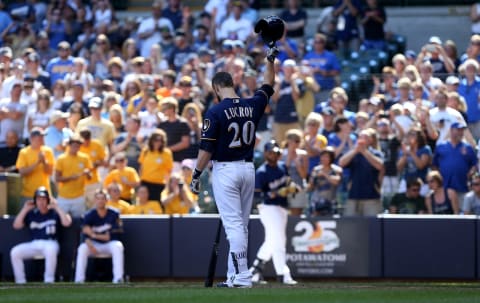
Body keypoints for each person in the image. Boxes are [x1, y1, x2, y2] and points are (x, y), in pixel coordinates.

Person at [190, 47, 276, 288]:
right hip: (248, 169)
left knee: (234, 226)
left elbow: (206, 149)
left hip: (225, 171)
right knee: (241, 225)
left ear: (217, 88)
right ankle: (233, 277)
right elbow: (268, 84)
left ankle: (243, 276)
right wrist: (270, 61)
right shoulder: (252, 104)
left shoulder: (215, 110)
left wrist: (196, 175)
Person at [249, 140, 297, 285]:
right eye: (270, 152)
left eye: (276, 152)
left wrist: (293, 188)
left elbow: (288, 183)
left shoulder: (282, 167)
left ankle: (255, 271)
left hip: (282, 207)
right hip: (268, 208)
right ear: (265, 153)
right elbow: (256, 196)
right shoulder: (262, 172)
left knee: (272, 240)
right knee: (280, 241)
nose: (273, 155)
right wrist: (273, 193)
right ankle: (283, 274)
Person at [10, 187, 72, 284]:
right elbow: (16, 225)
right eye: (38, 199)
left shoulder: (54, 213)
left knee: (50, 249)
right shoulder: (31, 214)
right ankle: (20, 282)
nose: (41, 202)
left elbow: (67, 223)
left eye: (43, 199)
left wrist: (56, 207)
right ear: (35, 201)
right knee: (15, 252)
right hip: (34, 243)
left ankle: (49, 280)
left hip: (51, 243)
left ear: (48, 200)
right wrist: (25, 209)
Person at [74, 189, 125, 284]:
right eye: (98, 198)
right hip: (93, 245)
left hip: (108, 245)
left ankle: (118, 279)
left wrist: (93, 234)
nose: (100, 201)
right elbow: (84, 233)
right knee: (82, 248)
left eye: (103, 198)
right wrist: (89, 242)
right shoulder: (88, 215)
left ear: (107, 200)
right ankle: (79, 280)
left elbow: (109, 237)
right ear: (95, 200)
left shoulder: (114, 214)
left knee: (118, 246)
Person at [339, 128, 384, 216]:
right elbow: (341, 163)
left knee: (372, 225)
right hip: (353, 195)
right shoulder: (354, 153)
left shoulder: (376, 153)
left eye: (365, 137)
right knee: (351, 224)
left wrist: (364, 152)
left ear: (371, 140)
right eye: (360, 137)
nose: (361, 139)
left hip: (371, 196)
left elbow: (380, 166)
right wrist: (355, 150)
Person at [433, 122, 478, 204]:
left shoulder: (467, 147)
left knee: (462, 213)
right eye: (458, 130)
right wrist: (439, 178)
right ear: (451, 131)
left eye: (461, 130)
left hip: (462, 187)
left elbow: (474, 164)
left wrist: (470, 174)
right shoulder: (441, 146)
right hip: (444, 187)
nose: (460, 132)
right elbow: (434, 165)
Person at [55, 134, 93, 217]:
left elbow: (90, 177)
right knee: (61, 219)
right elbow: (57, 178)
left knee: (79, 220)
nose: (76, 148)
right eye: (74, 146)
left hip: (79, 196)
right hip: (64, 196)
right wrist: (70, 178)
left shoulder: (84, 158)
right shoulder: (61, 158)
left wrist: (87, 173)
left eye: (78, 146)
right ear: (69, 145)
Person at [16, 128, 55, 203]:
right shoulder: (24, 152)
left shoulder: (48, 151)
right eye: (39, 136)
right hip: (28, 194)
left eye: (42, 136)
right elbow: (22, 172)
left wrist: (44, 161)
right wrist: (37, 163)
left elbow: (50, 172)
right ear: (32, 138)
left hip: (45, 193)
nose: (42, 138)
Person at [138, 130, 173, 202]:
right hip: (145, 183)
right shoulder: (145, 151)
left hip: (158, 184)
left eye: (161, 140)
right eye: (156, 140)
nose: (158, 142)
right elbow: (141, 167)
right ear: (151, 140)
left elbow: (169, 170)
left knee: (156, 205)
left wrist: (167, 185)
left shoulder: (166, 153)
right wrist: (140, 181)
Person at [308, 146, 342, 216]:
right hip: (316, 201)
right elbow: (310, 187)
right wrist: (314, 177)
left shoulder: (336, 170)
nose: (324, 159)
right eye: (322, 156)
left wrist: (325, 175)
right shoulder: (316, 169)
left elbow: (337, 181)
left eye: (326, 157)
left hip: (331, 202)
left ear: (331, 158)